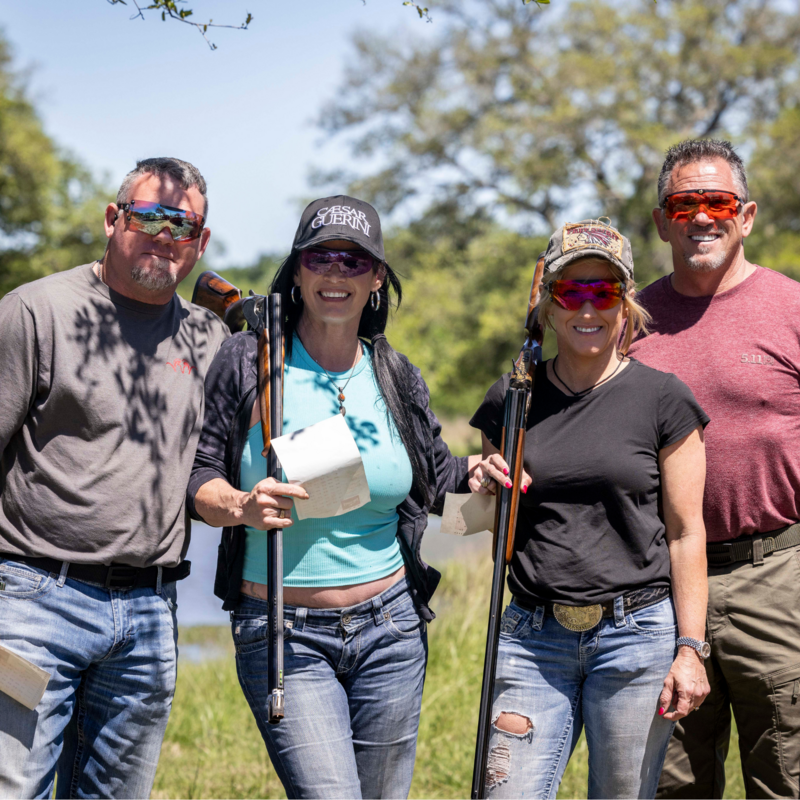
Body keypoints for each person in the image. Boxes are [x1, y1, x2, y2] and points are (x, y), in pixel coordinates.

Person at [188, 195, 475, 799]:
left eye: (354, 260)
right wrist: (241, 506)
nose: (335, 273)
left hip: (392, 629)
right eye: (320, 257)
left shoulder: (395, 373)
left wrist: (484, 472)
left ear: (377, 278)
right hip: (282, 630)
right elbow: (200, 477)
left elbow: (435, 476)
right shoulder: (250, 358)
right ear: (297, 271)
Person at [0, 157, 229, 799]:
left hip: (151, 612)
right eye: (150, 217)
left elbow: (217, 472)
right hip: (33, 600)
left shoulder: (210, 338)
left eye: (183, 225)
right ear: (112, 219)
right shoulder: (36, 312)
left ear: (201, 242)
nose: (166, 235)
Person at [469, 219, 711, 799]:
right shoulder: (512, 399)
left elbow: (685, 533)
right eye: (569, 291)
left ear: (625, 304)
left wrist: (690, 648)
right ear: (548, 305)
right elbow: (492, 524)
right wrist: (480, 486)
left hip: (637, 637)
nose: (586, 308)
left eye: (603, 292)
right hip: (531, 637)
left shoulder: (664, 398)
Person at [628, 138, 800, 799]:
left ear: (746, 216)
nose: (702, 216)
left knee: (785, 778)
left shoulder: (790, 309)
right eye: (684, 204)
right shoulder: (629, 325)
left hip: (775, 579)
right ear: (661, 221)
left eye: (719, 202)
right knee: (671, 786)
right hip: (657, 589)